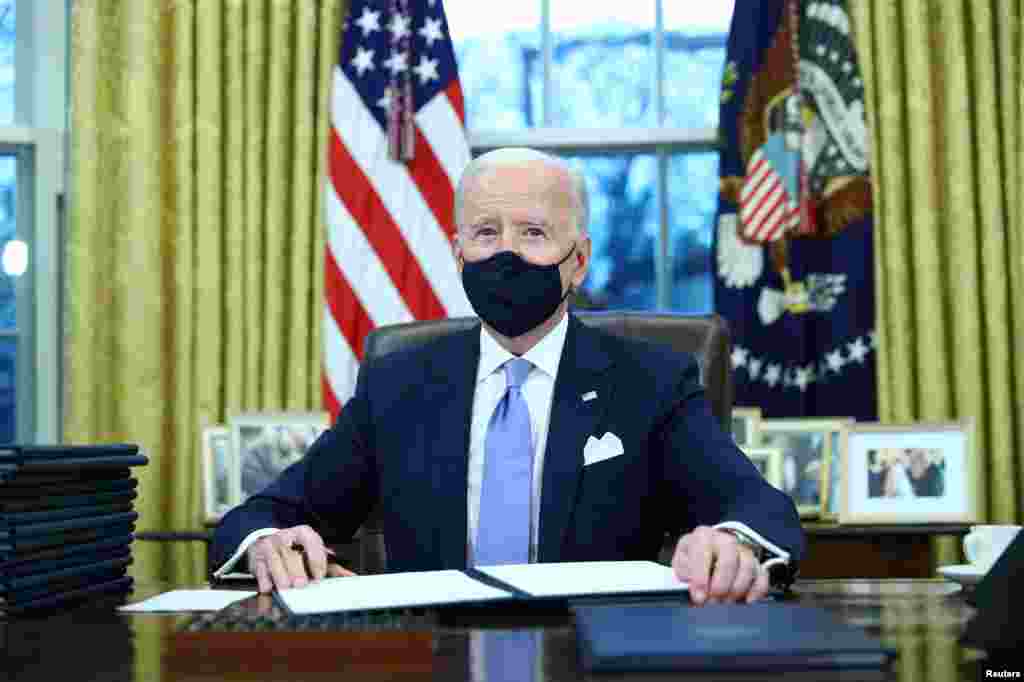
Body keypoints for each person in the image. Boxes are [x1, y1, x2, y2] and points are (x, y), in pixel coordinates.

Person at [211, 148, 805, 605]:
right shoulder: (398, 385)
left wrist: (734, 543)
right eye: (486, 233)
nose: (506, 254)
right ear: (458, 252)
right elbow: (263, 515)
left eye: (534, 233)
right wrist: (268, 544)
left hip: (592, 655)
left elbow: (758, 507)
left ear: (579, 260)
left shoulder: (650, 381)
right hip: (433, 657)